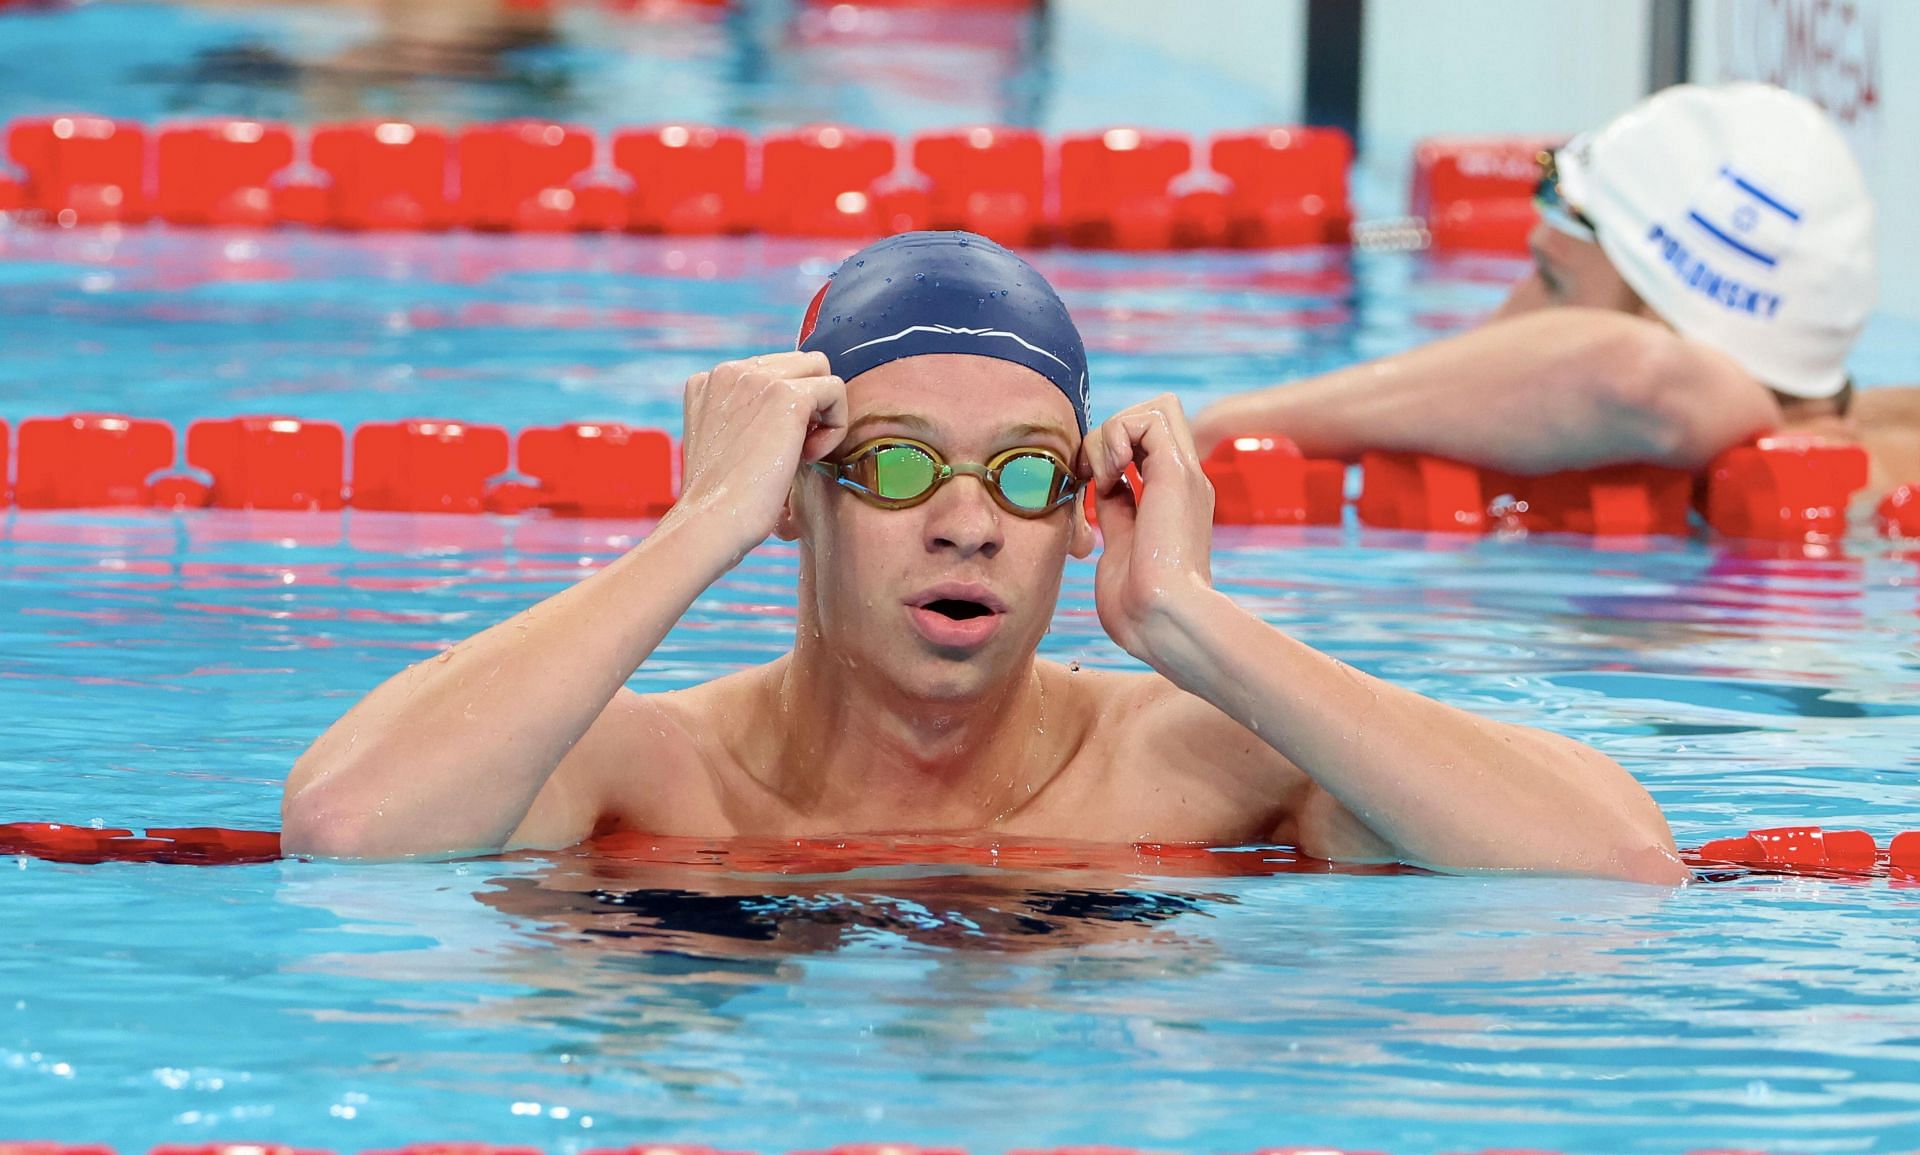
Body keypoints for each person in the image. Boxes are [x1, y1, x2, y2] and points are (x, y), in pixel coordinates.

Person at [282, 231, 1684, 884]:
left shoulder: (1192, 764)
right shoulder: (648, 769)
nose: (967, 519)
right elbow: (347, 824)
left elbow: (1617, 862)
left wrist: (1194, 619)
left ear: (1085, 508)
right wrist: (699, 524)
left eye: (1025, 471)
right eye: (893, 465)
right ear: (799, 493)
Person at [1194, 83, 1917, 501]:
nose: (1508, 316)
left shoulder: (1693, 401)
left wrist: (1230, 423)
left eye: (1552, 280)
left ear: (1666, 316)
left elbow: (1638, 376)